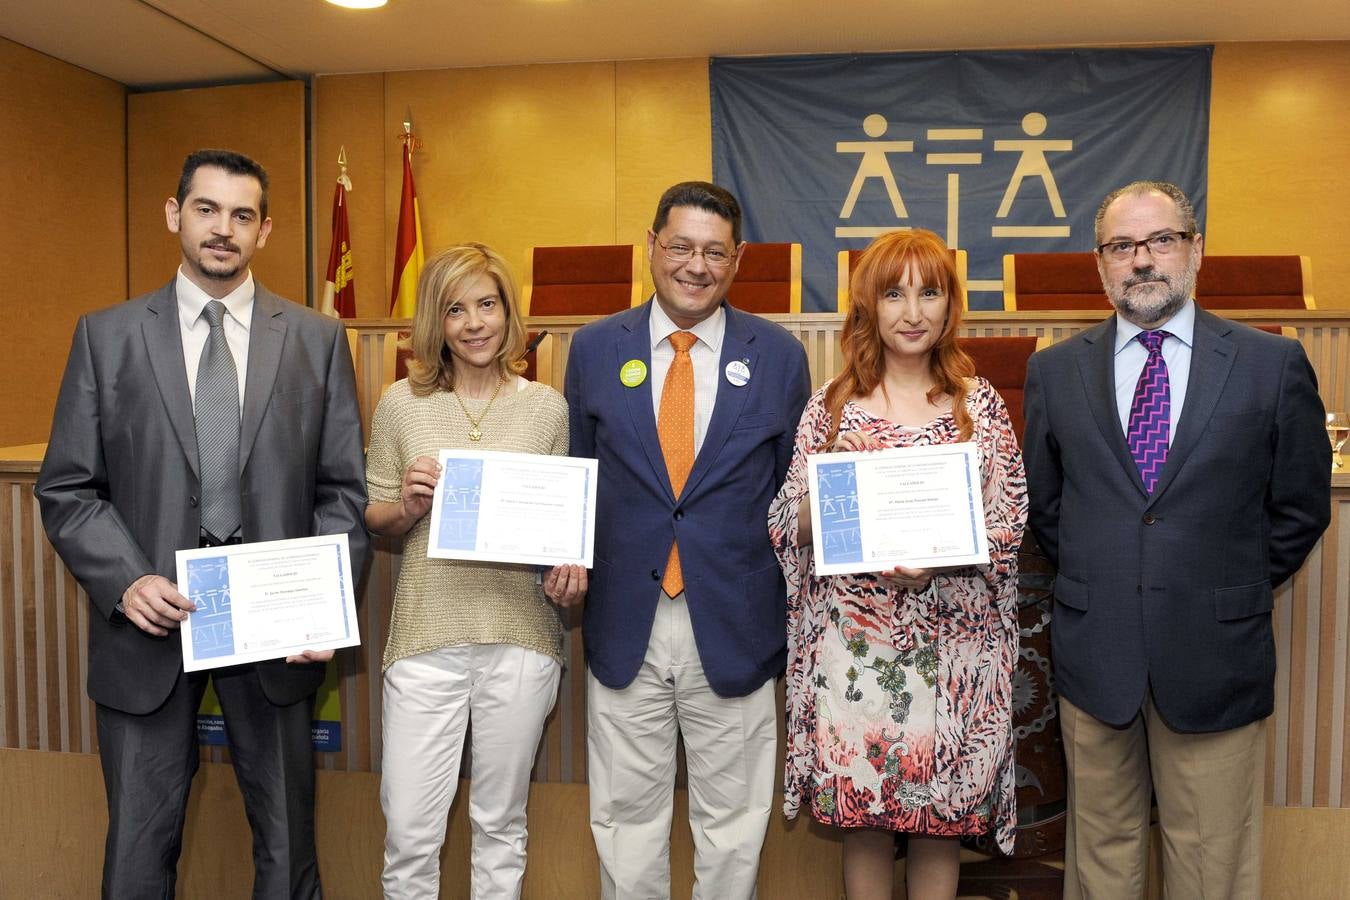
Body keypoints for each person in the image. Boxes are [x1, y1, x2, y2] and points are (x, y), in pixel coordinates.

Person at [35, 148, 369, 898]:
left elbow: (342, 491)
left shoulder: (316, 340)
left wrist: (325, 604)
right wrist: (126, 583)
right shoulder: (107, 336)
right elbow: (68, 487)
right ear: (174, 214)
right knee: (138, 853)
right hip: (150, 628)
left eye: (242, 215)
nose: (224, 229)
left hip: (275, 636)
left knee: (287, 850)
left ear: (265, 229)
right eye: (207, 209)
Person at [1022, 181, 1332, 899]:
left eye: (1160, 240)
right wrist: (1112, 578)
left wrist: (1224, 587)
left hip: (1215, 652)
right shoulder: (1055, 371)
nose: (1142, 260)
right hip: (1097, 654)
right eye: (1122, 245)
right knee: (1101, 859)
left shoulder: (1269, 363)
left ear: (1195, 249)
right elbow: (1048, 506)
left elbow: (1298, 506)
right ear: (1100, 263)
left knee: (1211, 864)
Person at [565, 181, 811, 899]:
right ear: (651, 247)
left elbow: (791, 490)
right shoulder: (591, 349)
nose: (695, 266)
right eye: (680, 247)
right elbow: (578, 475)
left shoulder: (778, 355)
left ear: (736, 260)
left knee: (734, 825)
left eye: (714, 252)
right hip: (624, 620)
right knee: (622, 819)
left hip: (734, 621)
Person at [768, 229, 1026, 900]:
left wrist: (939, 560)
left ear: (950, 306)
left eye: (930, 292)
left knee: (940, 822)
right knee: (865, 822)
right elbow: (784, 522)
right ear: (869, 307)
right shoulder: (832, 407)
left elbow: (1007, 525)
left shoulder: (980, 404)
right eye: (894, 293)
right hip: (860, 651)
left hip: (955, 646)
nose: (913, 311)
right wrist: (841, 500)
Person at [365, 243, 586, 899]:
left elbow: (561, 531)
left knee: (500, 825)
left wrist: (568, 570)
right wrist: (404, 505)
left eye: (486, 304)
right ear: (436, 322)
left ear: (507, 312)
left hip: (521, 639)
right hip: (427, 641)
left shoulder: (548, 408)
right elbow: (374, 515)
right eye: (455, 309)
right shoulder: (400, 403)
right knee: (409, 831)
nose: (474, 323)